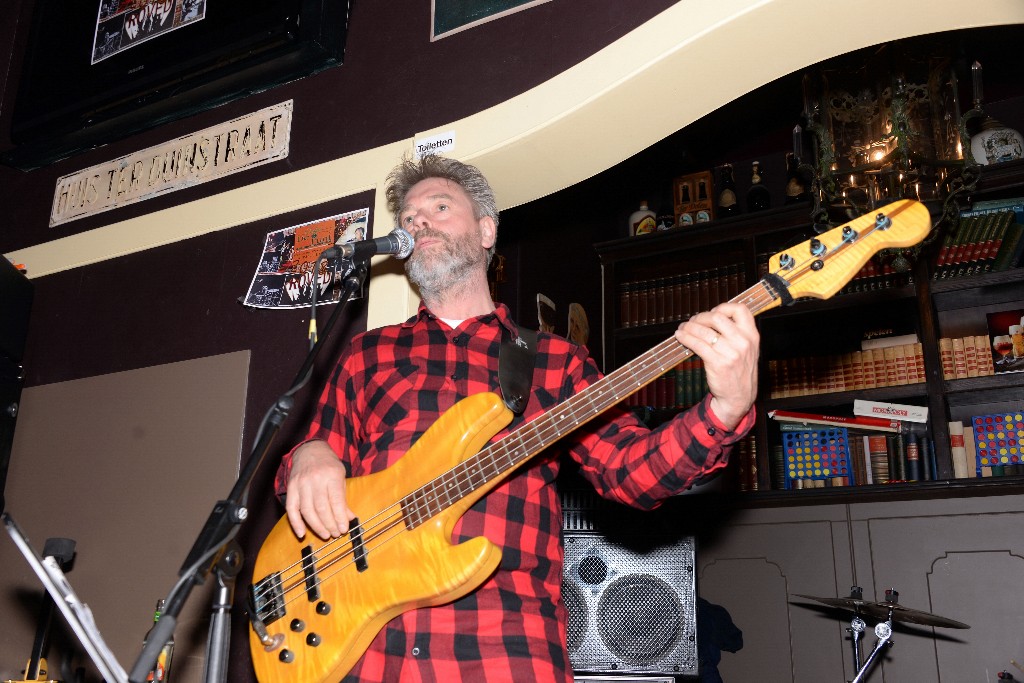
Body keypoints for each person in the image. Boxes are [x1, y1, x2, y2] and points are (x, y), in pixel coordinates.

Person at [273, 154, 760, 682]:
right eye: (409, 218)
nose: (419, 223)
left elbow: (630, 472)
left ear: (486, 231)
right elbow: (306, 467)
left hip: (502, 647)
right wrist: (310, 455)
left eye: (439, 207)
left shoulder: (554, 360)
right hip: (362, 647)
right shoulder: (368, 353)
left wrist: (724, 411)